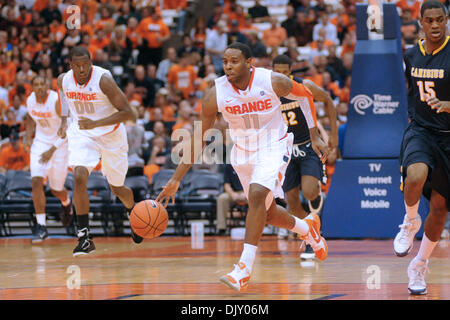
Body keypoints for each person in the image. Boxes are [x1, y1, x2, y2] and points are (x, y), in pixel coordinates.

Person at [156, 42, 329, 292]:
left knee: (258, 196)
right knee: (267, 213)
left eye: (234, 61)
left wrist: (313, 134)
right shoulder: (215, 94)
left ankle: (244, 269)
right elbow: (199, 137)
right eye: (225, 61)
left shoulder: (272, 81)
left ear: (250, 63)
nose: (228, 66)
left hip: (274, 145)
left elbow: (305, 95)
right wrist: (176, 179)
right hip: (243, 153)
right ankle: (308, 228)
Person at [57, 46, 139, 257]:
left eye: (87, 64)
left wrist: (96, 123)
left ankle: (133, 212)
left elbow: (128, 113)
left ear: (91, 63)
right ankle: (84, 238)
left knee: (117, 189)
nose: (83, 69)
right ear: (71, 65)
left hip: (111, 135)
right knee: (79, 177)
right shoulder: (63, 80)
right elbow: (64, 99)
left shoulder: (103, 80)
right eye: (78, 65)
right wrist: (65, 121)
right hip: (82, 133)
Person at [394, 0, 450, 295]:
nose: (435, 25)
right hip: (422, 131)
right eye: (429, 20)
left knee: (440, 207)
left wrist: (448, 104)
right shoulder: (411, 54)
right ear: (421, 23)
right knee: (415, 176)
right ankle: (410, 220)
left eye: (440, 19)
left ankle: (419, 265)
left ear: (447, 19)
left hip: (449, 135)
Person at [272, 54, 338, 259]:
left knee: (309, 191)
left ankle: (317, 196)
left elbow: (327, 99)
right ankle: (311, 237)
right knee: (291, 203)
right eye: (277, 73)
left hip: (307, 145)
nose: (281, 76)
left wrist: (333, 135)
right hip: (285, 149)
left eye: (285, 73)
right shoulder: (267, 92)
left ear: (290, 72)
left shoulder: (303, 85)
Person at [24, 76, 73, 243]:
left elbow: (68, 128)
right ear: (32, 87)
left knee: (56, 190)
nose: (39, 87)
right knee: (36, 181)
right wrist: (27, 136)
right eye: (35, 84)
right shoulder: (30, 100)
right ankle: (41, 226)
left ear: (47, 86)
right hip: (40, 144)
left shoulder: (55, 102)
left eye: (42, 84)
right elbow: (30, 118)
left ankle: (66, 203)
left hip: (60, 145)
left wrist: (51, 150)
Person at [216, 163, 246, 235]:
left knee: (256, 199)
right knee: (222, 198)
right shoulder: (229, 166)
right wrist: (232, 194)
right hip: (233, 192)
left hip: (247, 192)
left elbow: (253, 182)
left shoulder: (250, 164)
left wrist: (246, 192)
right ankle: (221, 228)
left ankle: (255, 227)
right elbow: (226, 184)